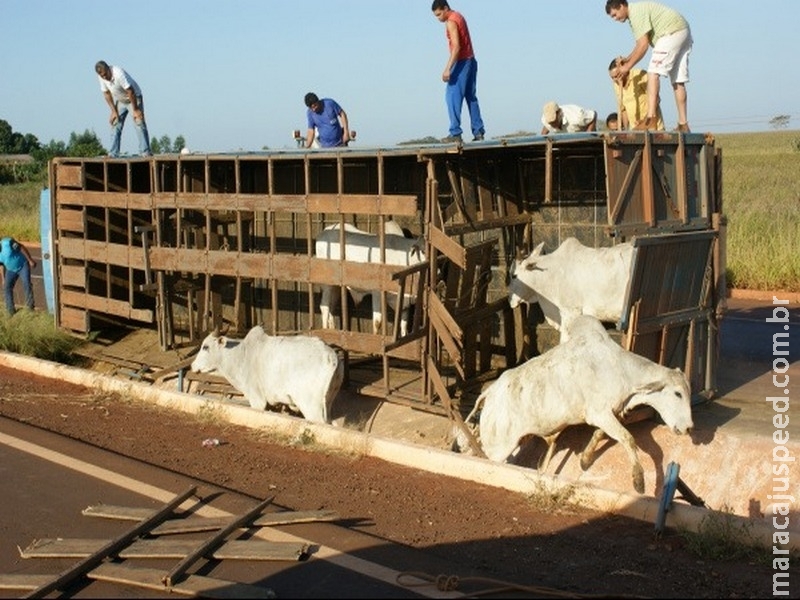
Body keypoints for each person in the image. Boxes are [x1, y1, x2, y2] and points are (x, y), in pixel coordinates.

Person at [605, 0, 693, 132]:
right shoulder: (637, 13)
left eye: (614, 14)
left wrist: (626, 68)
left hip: (670, 33)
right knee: (677, 81)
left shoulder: (636, 13)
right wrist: (627, 59)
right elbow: (639, 44)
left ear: (622, 6)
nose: (615, 19)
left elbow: (643, 46)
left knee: (653, 73)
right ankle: (683, 124)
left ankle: (650, 119)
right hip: (682, 31)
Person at [431, 0, 485, 144]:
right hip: (471, 60)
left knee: (452, 96)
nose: (439, 19)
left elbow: (456, 47)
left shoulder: (451, 21)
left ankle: (455, 132)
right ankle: (478, 131)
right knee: (470, 97)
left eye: (439, 14)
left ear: (445, 8)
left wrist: (448, 68)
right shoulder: (459, 16)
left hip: (461, 61)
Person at [95, 60, 152, 157]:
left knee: (138, 121)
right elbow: (106, 93)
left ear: (109, 69)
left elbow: (130, 91)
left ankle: (145, 151)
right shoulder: (101, 77)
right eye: (102, 76)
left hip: (133, 97)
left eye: (105, 75)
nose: (105, 77)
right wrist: (113, 111)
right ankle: (113, 153)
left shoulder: (118, 73)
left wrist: (135, 110)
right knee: (115, 123)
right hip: (121, 100)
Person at [608, 57, 665, 130]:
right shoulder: (616, 85)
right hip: (635, 129)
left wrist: (644, 121)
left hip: (654, 129)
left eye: (617, 76)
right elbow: (623, 109)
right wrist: (625, 130)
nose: (615, 80)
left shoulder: (640, 75)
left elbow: (656, 99)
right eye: (612, 78)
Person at [0, 237, 36, 315]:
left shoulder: (8, 243)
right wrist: (3, 279)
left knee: (26, 284)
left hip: (23, 265)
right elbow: (1, 265)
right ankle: (11, 311)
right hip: (11, 270)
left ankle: (30, 308)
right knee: (7, 287)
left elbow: (21, 247)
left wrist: (30, 260)